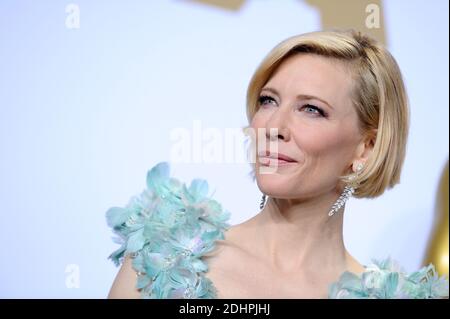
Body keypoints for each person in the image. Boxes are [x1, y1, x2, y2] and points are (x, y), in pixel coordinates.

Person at [106, 29, 449, 299]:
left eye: (311, 109)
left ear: (367, 148)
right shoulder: (163, 256)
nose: (273, 127)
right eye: (268, 101)